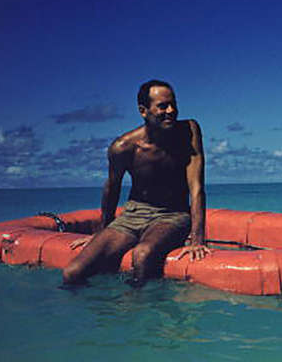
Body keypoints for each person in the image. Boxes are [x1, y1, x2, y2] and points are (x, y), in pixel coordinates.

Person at [62, 80, 211, 286]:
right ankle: (100, 313)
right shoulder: (123, 147)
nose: (171, 110)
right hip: (133, 215)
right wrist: (101, 231)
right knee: (72, 273)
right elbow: (112, 188)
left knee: (142, 255)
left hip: (172, 214)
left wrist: (197, 240)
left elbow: (196, 188)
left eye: (173, 104)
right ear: (143, 111)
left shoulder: (189, 131)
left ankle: (137, 310)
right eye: (162, 106)